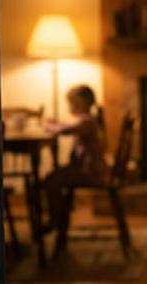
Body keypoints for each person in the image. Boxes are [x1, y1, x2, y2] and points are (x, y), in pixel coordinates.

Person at [44, 85, 106, 232]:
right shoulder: (87, 120)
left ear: (82, 104)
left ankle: (57, 218)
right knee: (53, 177)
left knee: (52, 179)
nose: (70, 106)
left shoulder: (88, 122)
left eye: (72, 103)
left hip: (90, 172)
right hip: (86, 169)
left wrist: (51, 126)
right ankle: (60, 213)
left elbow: (66, 130)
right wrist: (57, 124)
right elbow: (68, 126)